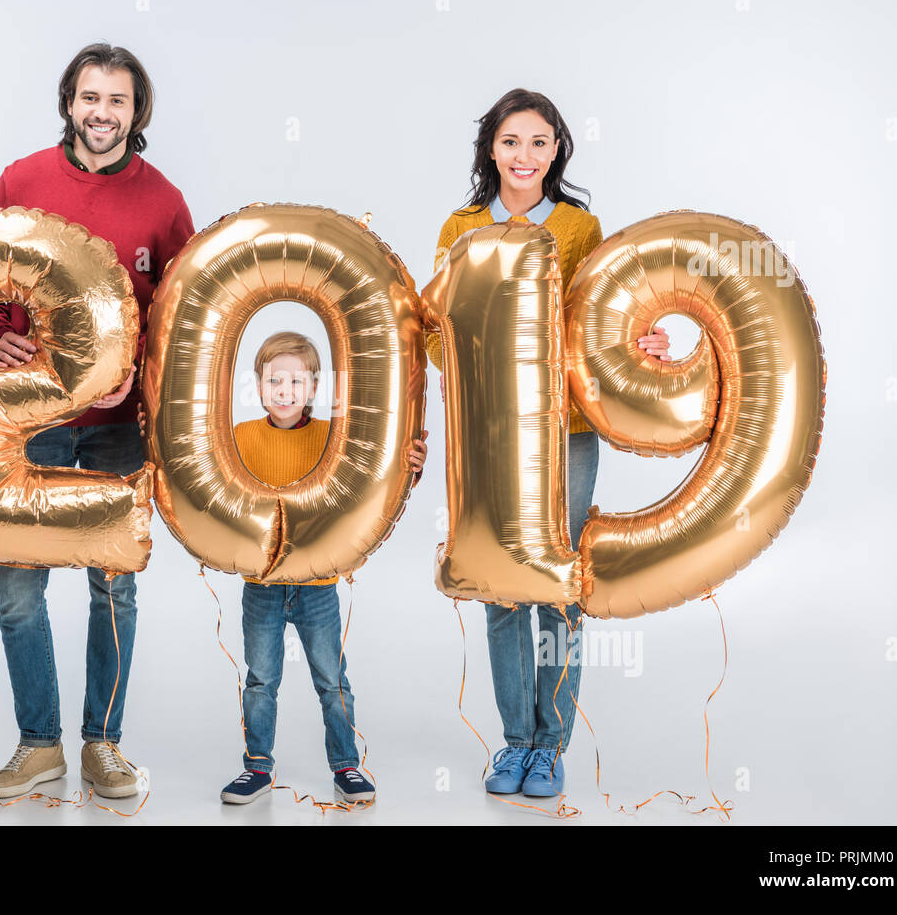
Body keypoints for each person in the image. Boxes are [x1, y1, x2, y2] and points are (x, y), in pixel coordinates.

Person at [426, 89, 670, 798]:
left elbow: (603, 320)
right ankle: (515, 741)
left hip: (567, 434)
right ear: (490, 149)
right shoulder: (461, 226)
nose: (524, 156)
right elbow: (443, 338)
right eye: (510, 141)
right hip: (490, 436)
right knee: (503, 588)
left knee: (559, 584)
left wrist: (642, 342)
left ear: (558, 148)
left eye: (539, 142)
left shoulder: (580, 227)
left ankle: (551, 743)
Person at [0, 43, 194, 800]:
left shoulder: (163, 201)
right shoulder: (22, 180)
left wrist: (150, 369)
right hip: (32, 419)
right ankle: (39, 744)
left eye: (118, 101)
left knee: (113, 587)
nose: (102, 113)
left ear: (138, 113)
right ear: (70, 101)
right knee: (17, 586)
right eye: (90, 97)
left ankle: (103, 743)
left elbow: (182, 312)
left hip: (116, 426)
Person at [217, 332, 428, 805]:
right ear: (258, 385)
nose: (285, 390)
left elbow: (372, 477)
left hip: (318, 588)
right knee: (261, 679)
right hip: (263, 585)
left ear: (313, 388)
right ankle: (257, 767)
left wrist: (412, 466)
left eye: (296, 380)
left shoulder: (334, 437)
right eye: (275, 380)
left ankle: (346, 765)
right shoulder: (240, 436)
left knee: (331, 680)